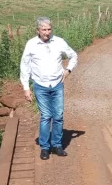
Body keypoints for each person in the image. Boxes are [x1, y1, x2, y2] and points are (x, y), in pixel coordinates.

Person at [20, 16, 78, 160]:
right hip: (40, 85)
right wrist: (26, 88)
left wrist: (68, 70)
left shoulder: (59, 42)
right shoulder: (31, 44)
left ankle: (57, 145)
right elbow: (25, 65)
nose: (47, 32)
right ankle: (45, 148)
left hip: (57, 84)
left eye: (49, 29)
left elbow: (73, 55)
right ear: (38, 30)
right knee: (46, 116)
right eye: (44, 29)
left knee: (58, 116)